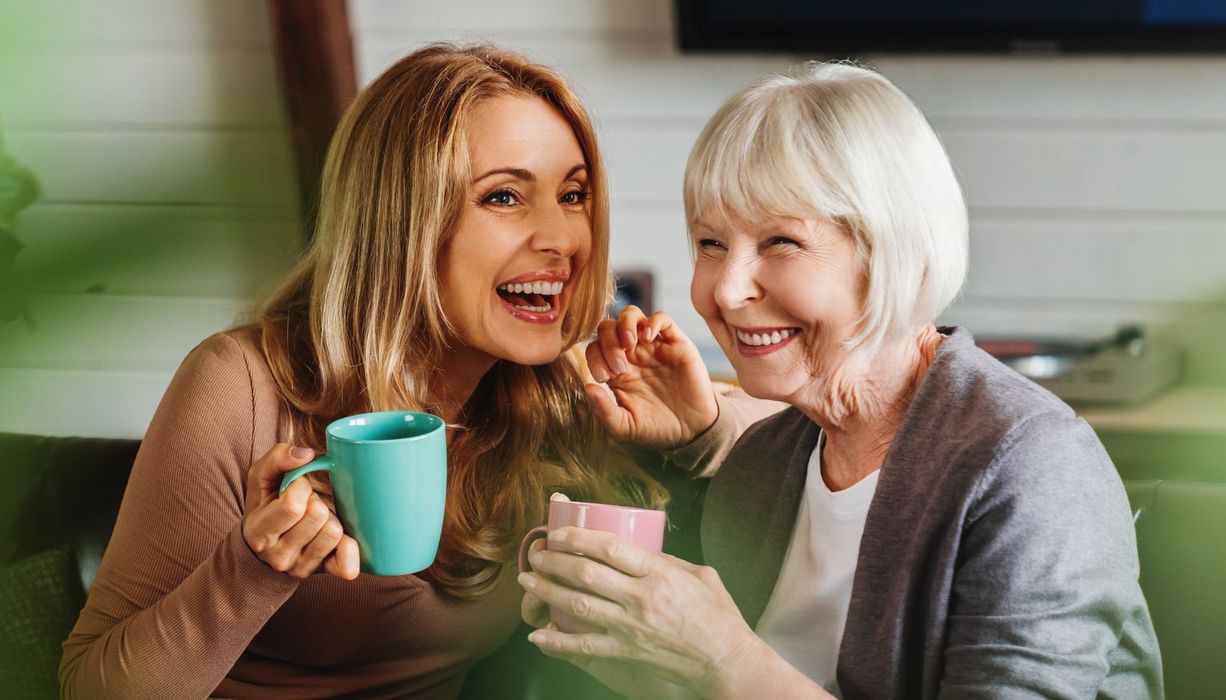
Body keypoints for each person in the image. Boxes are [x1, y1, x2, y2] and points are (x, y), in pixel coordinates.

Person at [59, 44, 774, 699]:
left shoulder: (558, 395)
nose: (560, 238)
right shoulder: (245, 385)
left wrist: (700, 425)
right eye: (503, 195)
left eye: (574, 194)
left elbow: (828, 455)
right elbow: (88, 686)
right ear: (403, 220)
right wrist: (252, 570)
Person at [519, 62, 1164, 698]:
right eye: (710, 244)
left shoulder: (1032, 467)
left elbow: (734, 673)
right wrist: (635, 656)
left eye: (781, 242)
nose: (727, 289)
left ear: (897, 252)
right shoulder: (766, 463)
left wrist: (723, 660)